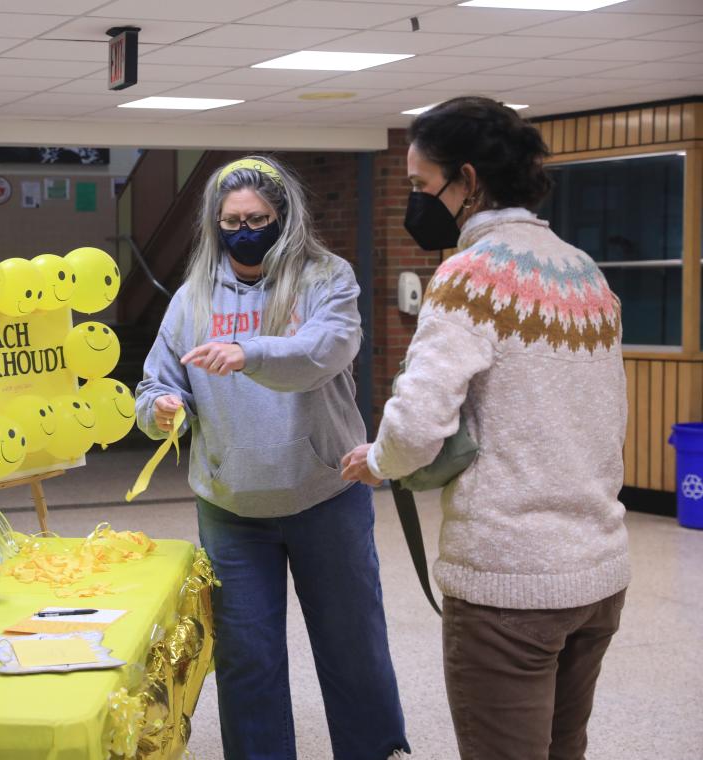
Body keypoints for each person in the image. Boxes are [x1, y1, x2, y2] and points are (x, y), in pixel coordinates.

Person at [342, 97, 630, 760]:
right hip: (599, 572)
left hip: (510, 582)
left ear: (467, 181)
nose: (416, 201)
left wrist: (379, 460)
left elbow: (416, 423)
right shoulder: (585, 271)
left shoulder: (469, 276)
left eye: (420, 185)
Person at [136, 156, 410, 760]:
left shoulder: (325, 278)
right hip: (233, 508)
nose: (244, 230)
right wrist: (160, 410)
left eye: (257, 218)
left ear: (282, 217)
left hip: (325, 494)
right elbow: (157, 382)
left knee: (351, 646)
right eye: (231, 220)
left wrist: (248, 350)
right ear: (214, 223)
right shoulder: (192, 297)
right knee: (246, 658)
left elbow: (325, 351)